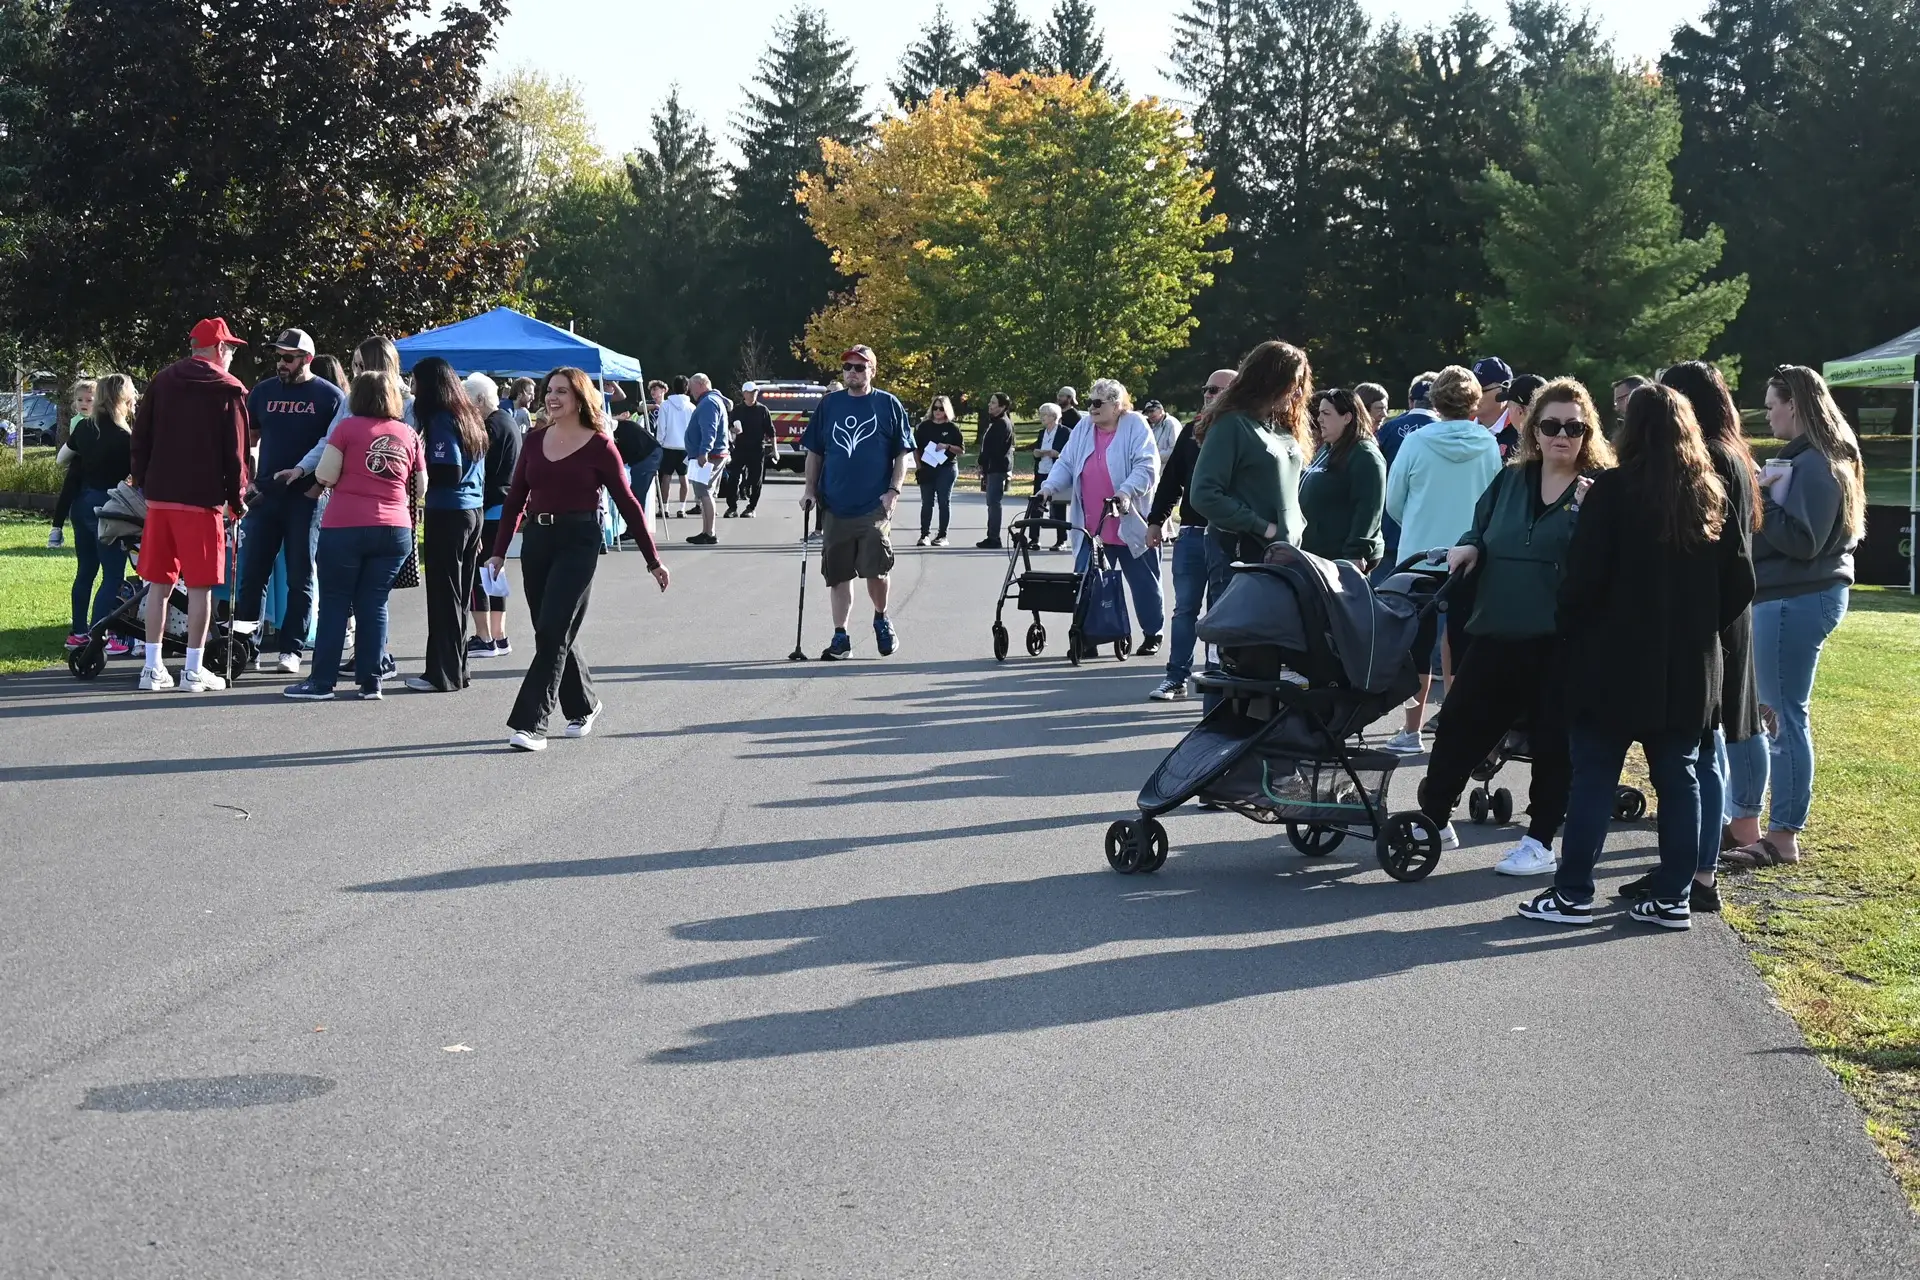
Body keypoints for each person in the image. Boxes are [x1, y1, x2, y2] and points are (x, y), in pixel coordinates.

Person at [1520, 385, 1754, 929]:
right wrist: (1701, 624)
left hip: (1613, 657)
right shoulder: (1710, 493)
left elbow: (1582, 579)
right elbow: (1740, 581)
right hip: (1688, 661)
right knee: (1679, 777)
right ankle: (1675, 894)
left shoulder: (1612, 490)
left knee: (1595, 774)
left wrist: (1574, 630)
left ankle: (1574, 893)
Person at [1418, 379, 1616, 873]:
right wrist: (1468, 545)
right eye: (1551, 425)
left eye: (1574, 427)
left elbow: (1610, 563)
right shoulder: (1510, 480)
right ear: (1534, 430)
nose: (1561, 436)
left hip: (1562, 640)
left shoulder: (1601, 490)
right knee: (1458, 726)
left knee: (1553, 742)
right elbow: (1479, 528)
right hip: (1496, 628)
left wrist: (1595, 515)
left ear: (1588, 432)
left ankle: (1540, 841)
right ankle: (1433, 818)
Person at [1720, 365, 1865, 871]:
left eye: (1772, 404)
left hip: (1796, 600)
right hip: (1789, 599)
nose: (1767, 414)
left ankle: (1782, 837)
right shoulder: (1812, 459)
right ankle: (1761, 826)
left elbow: (1804, 541)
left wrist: (1759, 496)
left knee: (1782, 720)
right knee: (1776, 716)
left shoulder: (1819, 463)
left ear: (1795, 405)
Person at [486, 367, 668, 751]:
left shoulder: (600, 446)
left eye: (562, 392)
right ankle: (585, 703)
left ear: (580, 397)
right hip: (538, 540)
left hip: (579, 541)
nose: (552, 397)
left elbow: (628, 503)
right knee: (550, 629)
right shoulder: (534, 441)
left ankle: (531, 723)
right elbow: (515, 499)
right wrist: (499, 551)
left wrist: (652, 560)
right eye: (549, 391)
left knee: (554, 628)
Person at [1644, 360, 1759, 912]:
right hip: (1721, 617)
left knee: (1703, 749)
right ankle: (1690, 866)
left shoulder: (1711, 458)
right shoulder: (1733, 454)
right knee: (1702, 747)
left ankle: (1699, 872)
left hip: (1710, 622)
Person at [281, 371, 424, 701]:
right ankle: (372, 680)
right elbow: (420, 485)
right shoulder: (408, 433)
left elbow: (326, 474)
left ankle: (322, 682)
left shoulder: (346, 428)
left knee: (334, 602)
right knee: (375, 602)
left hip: (345, 525)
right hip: (395, 528)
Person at [1382, 364, 1503, 752]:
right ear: (1474, 401)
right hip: (1469, 556)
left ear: (1435, 400)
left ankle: (1411, 731)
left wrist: (1415, 523)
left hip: (1420, 556)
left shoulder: (1416, 442)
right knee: (1461, 643)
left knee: (1417, 644)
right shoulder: (1487, 444)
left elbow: (1394, 499)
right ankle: (1456, 726)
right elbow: (1494, 501)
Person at [130, 318, 251, 693]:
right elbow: (236, 453)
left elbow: (140, 436)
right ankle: (193, 670)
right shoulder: (227, 389)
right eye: (230, 349)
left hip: (161, 498)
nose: (231, 355)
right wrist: (237, 498)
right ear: (219, 349)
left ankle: (152, 667)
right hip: (202, 500)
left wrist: (144, 482)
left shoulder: (162, 381)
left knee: (159, 584)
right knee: (200, 588)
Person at [234, 328, 342, 675]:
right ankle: (245, 647)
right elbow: (248, 441)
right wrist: (248, 480)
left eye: (288, 357)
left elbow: (336, 447)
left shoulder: (330, 396)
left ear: (307, 359)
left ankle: (292, 648)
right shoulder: (263, 392)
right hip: (265, 496)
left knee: (300, 575)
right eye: (278, 356)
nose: (281, 363)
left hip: (306, 498)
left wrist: (319, 486)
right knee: (252, 575)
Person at [800, 344, 915, 660]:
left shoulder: (888, 404)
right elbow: (815, 452)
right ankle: (841, 637)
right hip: (835, 505)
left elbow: (902, 454)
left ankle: (881, 618)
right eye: (848, 367)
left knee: (876, 570)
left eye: (860, 367)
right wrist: (809, 490)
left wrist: (893, 492)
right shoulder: (830, 405)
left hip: (873, 506)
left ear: (872, 371)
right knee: (838, 575)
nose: (852, 372)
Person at [1037, 378, 1164, 657]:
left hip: (1129, 521)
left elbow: (1147, 466)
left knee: (1144, 583)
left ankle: (1152, 632)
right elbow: (1066, 463)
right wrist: (1048, 488)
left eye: (1098, 402)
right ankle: (1088, 639)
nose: (1092, 408)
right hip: (1092, 526)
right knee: (1087, 584)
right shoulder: (1084, 427)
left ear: (1117, 405)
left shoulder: (1135, 425)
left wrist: (1126, 491)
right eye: (1090, 402)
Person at [1144, 366, 1237, 700]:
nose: (1209, 395)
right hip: (1193, 533)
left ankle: (1216, 677)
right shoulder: (1192, 430)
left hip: (1228, 536)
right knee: (1185, 609)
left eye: (1216, 390)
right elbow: (1171, 481)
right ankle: (1176, 678)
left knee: (1220, 610)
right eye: (1206, 389)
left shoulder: (1247, 433)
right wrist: (1156, 520)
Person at [1191, 340, 1312, 583]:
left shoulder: (1280, 427)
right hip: (1241, 557)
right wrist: (1263, 528)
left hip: (1283, 557)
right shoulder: (1232, 425)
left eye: (1301, 385)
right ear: (1271, 380)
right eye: (1294, 383)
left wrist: (1292, 529)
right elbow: (1203, 495)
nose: (1299, 393)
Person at [400, 356, 487, 693]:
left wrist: (416, 474)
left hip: (448, 510)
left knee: (443, 596)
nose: (413, 388)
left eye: (415, 382)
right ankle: (458, 668)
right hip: (472, 509)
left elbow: (447, 470)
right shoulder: (469, 416)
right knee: (460, 595)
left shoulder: (440, 418)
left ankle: (442, 674)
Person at [57, 373, 135, 655]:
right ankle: (99, 633)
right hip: (110, 508)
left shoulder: (85, 428)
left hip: (82, 504)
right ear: (124, 399)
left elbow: (62, 459)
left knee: (85, 571)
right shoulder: (126, 437)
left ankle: (78, 633)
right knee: (112, 574)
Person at [465, 373, 522, 659]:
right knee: (493, 571)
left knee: (479, 571)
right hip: (504, 506)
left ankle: (484, 636)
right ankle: (498, 635)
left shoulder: (490, 427)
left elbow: (484, 474)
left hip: (489, 508)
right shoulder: (508, 421)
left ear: (479, 399)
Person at [1298, 386, 1387, 569]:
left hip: (1341, 560)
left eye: (1326, 413)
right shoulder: (1328, 448)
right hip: (1315, 555)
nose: (1319, 419)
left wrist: (1355, 553)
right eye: (1320, 413)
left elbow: (1368, 509)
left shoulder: (1365, 455)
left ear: (1347, 418)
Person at [1370, 372, 1438, 573]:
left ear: (1410, 401)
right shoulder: (1444, 430)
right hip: (1429, 527)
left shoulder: (1389, 428)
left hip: (1388, 525)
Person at [47, 379, 97, 547]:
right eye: (80, 400)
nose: (84, 403)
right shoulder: (79, 421)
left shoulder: (98, 420)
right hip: (80, 461)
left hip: (91, 463)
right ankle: (56, 529)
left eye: (89, 400)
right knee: (67, 494)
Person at [682, 373, 729, 544]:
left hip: (709, 455)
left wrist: (704, 452)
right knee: (704, 494)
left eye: (692, 387)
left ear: (701, 384)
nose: (690, 391)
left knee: (705, 493)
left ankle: (709, 533)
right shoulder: (712, 400)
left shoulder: (708, 402)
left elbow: (709, 429)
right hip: (711, 454)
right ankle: (706, 531)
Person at [913, 395, 964, 547]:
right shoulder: (924, 427)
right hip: (927, 467)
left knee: (944, 501)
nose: (937, 411)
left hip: (946, 468)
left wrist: (947, 446)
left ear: (946, 410)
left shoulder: (952, 428)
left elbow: (961, 450)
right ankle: (924, 535)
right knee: (927, 502)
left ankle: (942, 535)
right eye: (935, 408)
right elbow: (916, 448)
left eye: (941, 408)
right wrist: (919, 466)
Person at [612, 398, 663, 542]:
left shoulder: (616, 430)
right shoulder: (619, 426)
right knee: (634, 494)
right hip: (646, 454)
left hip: (648, 455)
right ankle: (635, 528)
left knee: (635, 495)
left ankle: (634, 530)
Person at [975, 392, 1016, 548]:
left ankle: (994, 538)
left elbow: (994, 449)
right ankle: (991, 535)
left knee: (993, 502)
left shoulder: (1002, 424)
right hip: (993, 467)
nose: (990, 405)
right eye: (990, 402)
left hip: (997, 468)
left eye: (993, 403)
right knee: (991, 502)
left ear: (1002, 406)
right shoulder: (995, 422)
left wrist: (982, 463)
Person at [725, 382, 773, 517]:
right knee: (733, 477)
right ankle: (732, 508)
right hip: (740, 448)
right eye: (750, 392)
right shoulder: (737, 410)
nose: (753, 395)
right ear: (744, 393)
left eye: (755, 392)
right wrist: (733, 430)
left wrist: (775, 450)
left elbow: (771, 431)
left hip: (757, 449)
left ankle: (751, 508)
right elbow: (729, 426)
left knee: (755, 480)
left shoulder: (762, 410)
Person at [1030, 402, 1071, 550]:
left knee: (1058, 507)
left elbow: (1069, 454)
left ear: (1054, 416)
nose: (1042, 417)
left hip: (1056, 473)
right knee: (1036, 505)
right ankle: (1034, 539)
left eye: (1045, 415)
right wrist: (1037, 453)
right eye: (1041, 414)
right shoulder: (1042, 432)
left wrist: (1056, 454)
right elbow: (1037, 449)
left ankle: (1061, 540)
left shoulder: (1065, 432)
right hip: (1041, 471)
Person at [655, 376, 695, 517]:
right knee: (684, 477)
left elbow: (661, 427)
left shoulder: (666, 405)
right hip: (685, 448)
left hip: (668, 446)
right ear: (687, 388)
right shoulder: (691, 407)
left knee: (666, 477)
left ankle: (664, 508)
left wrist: (659, 443)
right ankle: (681, 508)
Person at [1492, 373, 1543, 459]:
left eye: (1509, 407)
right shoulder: (1554, 439)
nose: (1507, 411)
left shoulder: (1523, 446)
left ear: (1519, 411)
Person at [1472, 356, 1513, 438]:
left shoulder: (1521, 430)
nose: (1470, 395)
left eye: (1479, 390)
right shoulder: (1459, 423)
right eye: (1467, 389)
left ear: (1504, 390)